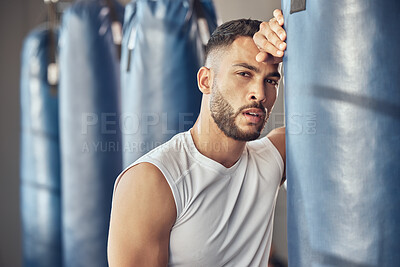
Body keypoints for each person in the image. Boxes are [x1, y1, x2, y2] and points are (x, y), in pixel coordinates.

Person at [108, 9, 288, 267]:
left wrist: (292, 33)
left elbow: (342, 127)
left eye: (271, 80)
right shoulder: (152, 182)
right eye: (244, 74)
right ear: (206, 81)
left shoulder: (272, 158)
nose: (259, 93)